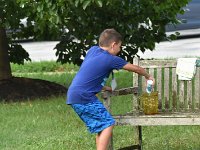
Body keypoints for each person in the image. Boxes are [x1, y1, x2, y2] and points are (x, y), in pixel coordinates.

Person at [66, 28, 155, 150]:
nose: (119, 50)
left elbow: (88, 74)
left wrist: (101, 86)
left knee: (101, 126)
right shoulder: (111, 59)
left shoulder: (92, 51)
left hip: (74, 94)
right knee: (108, 124)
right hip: (84, 97)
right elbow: (136, 69)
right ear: (113, 45)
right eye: (119, 46)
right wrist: (148, 76)